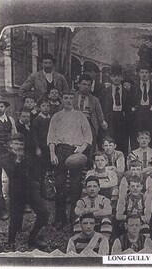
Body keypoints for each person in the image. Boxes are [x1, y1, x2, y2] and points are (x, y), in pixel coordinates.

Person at [47, 90, 92, 230]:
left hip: (75, 152)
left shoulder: (80, 116)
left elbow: (88, 137)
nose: (68, 100)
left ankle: (75, 218)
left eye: (71, 98)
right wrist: (52, 154)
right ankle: (60, 218)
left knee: (75, 186)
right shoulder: (56, 116)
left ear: (74, 100)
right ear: (62, 99)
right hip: (60, 151)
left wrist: (81, 148)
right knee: (59, 186)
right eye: (65, 97)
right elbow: (51, 137)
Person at [0, 133, 49, 250]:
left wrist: (36, 182)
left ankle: (33, 238)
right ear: (9, 145)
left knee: (44, 213)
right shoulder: (5, 158)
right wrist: (18, 160)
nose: (19, 146)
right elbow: (12, 174)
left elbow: (35, 170)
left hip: (30, 190)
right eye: (16, 143)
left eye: (21, 144)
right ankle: (11, 241)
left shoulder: (27, 156)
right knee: (15, 217)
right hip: (16, 192)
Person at [99, 65, 132, 155]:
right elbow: (101, 108)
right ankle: (108, 163)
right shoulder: (105, 92)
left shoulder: (127, 92)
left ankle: (121, 165)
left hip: (122, 119)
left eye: (118, 76)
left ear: (122, 77)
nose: (116, 78)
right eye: (114, 76)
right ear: (110, 77)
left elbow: (129, 108)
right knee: (109, 142)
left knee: (122, 143)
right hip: (110, 119)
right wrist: (103, 121)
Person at [74, 74, 107, 159]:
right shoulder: (72, 97)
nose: (86, 87)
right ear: (79, 84)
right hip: (74, 123)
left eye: (88, 85)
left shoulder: (94, 100)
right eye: (84, 84)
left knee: (89, 143)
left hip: (89, 123)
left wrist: (101, 123)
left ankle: (88, 165)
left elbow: (100, 116)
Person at [0, 97, 17, 220]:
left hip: (8, 153)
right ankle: (1, 209)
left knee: (14, 177)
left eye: (1, 106)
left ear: (5, 108)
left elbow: (14, 135)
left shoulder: (11, 120)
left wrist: (14, 150)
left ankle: (16, 205)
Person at [131, 63, 152, 149]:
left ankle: (150, 160)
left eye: (146, 72)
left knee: (150, 139)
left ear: (150, 74)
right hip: (138, 115)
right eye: (142, 72)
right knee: (137, 140)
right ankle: (137, 160)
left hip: (150, 115)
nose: (144, 74)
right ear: (139, 73)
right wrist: (132, 109)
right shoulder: (134, 87)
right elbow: (129, 102)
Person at [31, 98, 52, 190]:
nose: (46, 108)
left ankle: (49, 189)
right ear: (39, 108)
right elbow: (34, 136)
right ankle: (42, 190)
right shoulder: (37, 120)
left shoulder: (51, 118)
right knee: (41, 169)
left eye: (48, 106)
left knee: (49, 168)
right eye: (43, 106)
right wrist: (37, 148)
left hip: (49, 147)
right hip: (41, 147)